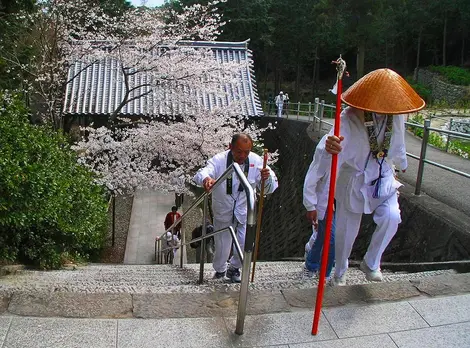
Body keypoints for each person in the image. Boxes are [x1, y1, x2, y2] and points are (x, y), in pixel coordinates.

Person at [324, 68, 425, 286]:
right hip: (354, 179)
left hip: (383, 175)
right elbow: (333, 144)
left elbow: (398, 142)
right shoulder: (348, 117)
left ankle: (371, 262)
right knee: (346, 232)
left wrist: (402, 162)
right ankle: (339, 272)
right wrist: (331, 147)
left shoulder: (395, 116)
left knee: (392, 216)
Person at [193, 133, 278, 283]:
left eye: (246, 151)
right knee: (222, 245)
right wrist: (206, 179)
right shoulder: (219, 160)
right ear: (230, 147)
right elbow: (203, 172)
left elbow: (269, 187)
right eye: (239, 151)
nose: (243, 155)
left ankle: (234, 268)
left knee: (245, 242)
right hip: (223, 210)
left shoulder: (256, 161)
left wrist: (267, 177)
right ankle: (220, 270)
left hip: (244, 211)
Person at [302, 134, 335, 280]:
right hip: (327, 201)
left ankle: (316, 265)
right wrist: (310, 204)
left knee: (325, 237)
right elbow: (313, 175)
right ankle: (322, 271)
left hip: (345, 199)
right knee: (330, 238)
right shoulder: (328, 145)